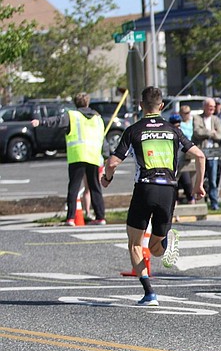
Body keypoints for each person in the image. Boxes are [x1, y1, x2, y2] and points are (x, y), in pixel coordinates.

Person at [101, 86, 206, 306]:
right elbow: (200, 155)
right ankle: (165, 240)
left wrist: (107, 179)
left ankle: (150, 293)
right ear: (161, 106)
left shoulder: (134, 130)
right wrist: (198, 186)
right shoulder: (173, 130)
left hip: (145, 188)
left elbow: (112, 162)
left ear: (141, 105)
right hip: (169, 190)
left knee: (135, 244)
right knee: (156, 251)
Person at [31, 92, 107, 226]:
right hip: (93, 156)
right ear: (88, 103)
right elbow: (103, 139)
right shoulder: (98, 118)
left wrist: (40, 122)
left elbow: (56, 121)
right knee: (95, 187)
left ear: (75, 103)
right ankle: (100, 217)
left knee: (74, 187)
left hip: (77, 155)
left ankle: (71, 218)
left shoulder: (72, 116)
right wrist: (106, 156)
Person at [192, 98, 221, 210]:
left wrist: (205, 132)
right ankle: (200, 202)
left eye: (214, 106)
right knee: (200, 179)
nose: (212, 108)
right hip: (201, 153)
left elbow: (219, 136)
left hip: (213, 154)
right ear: (204, 106)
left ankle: (214, 203)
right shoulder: (197, 118)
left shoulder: (216, 119)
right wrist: (211, 132)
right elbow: (197, 132)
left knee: (213, 180)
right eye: (210, 106)